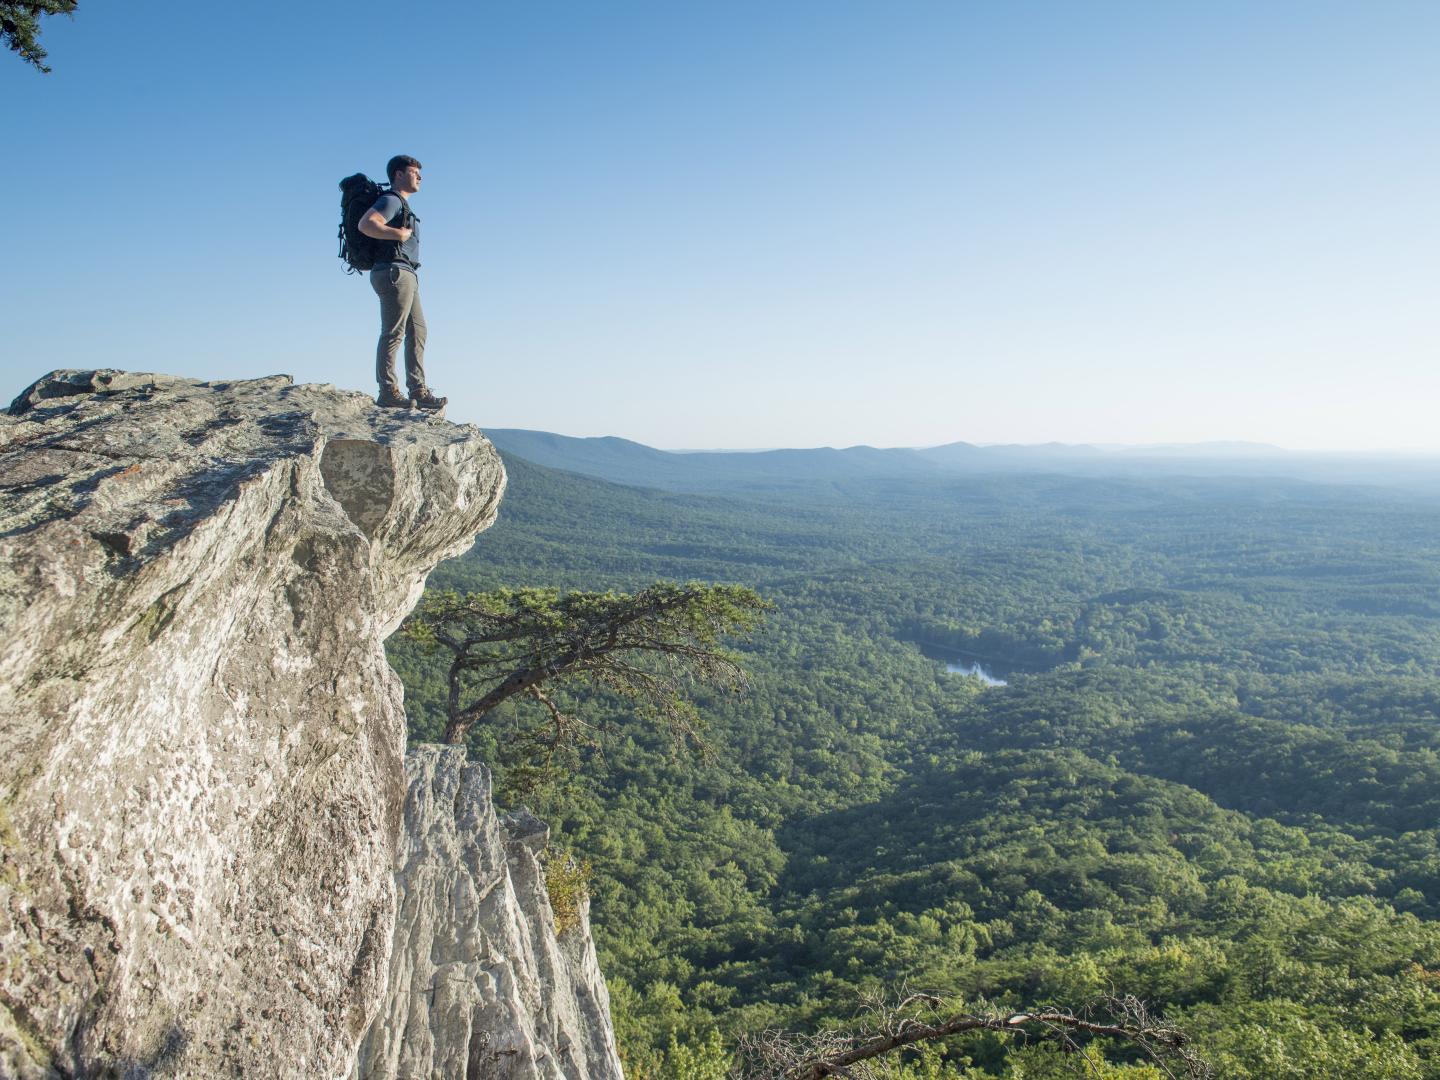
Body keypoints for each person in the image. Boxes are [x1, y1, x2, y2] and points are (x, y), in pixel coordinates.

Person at [360, 155, 447, 410]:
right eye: (413, 172)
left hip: (405, 272)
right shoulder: (391, 200)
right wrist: (398, 233)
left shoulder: (401, 204)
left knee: (418, 330)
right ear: (398, 174)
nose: (419, 177)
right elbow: (367, 224)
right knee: (394, 331)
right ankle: (387, 390)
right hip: (394, 271)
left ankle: (417, 389)